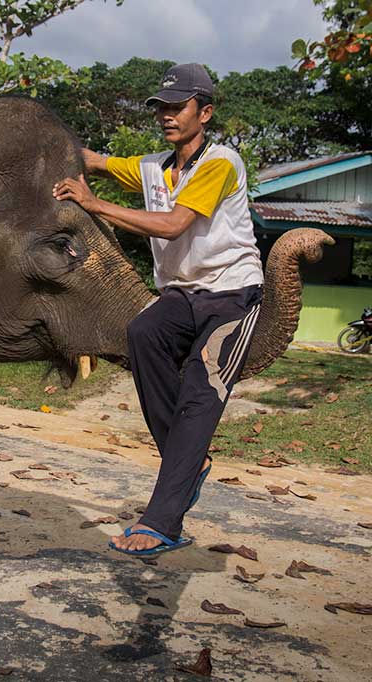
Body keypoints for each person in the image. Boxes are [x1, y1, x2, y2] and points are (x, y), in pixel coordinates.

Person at [52, 63, 263, 556]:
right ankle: (187, 464)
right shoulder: (153, 166)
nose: (167, 116)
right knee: (142, 334)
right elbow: (95, 162)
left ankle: (163, 521)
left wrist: (94, 205)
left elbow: (172, 225)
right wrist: (44, 144)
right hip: (180, 297)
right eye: (161, 108)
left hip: (231, 297)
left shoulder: (220, 162)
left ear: (204, 112)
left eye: (178, 107)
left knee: (199, 392)